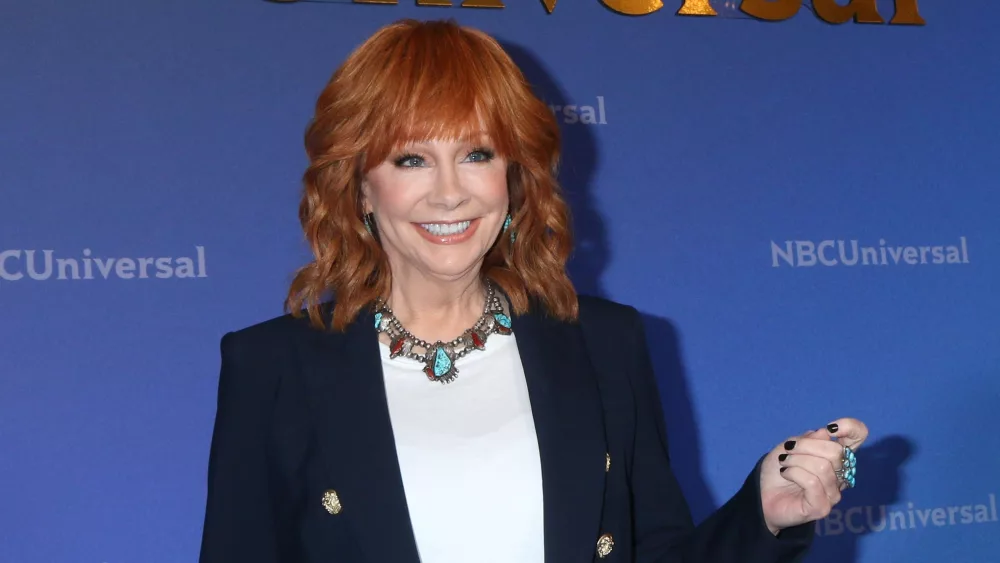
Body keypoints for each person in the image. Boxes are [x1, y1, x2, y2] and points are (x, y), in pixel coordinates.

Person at [198, 18, 868, 563]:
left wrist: (764, 515)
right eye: (411, 159)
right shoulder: (272, 367)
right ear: (359, 187)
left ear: (514, 177)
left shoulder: (606, 344)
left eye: (477, 154)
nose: (450, 191)